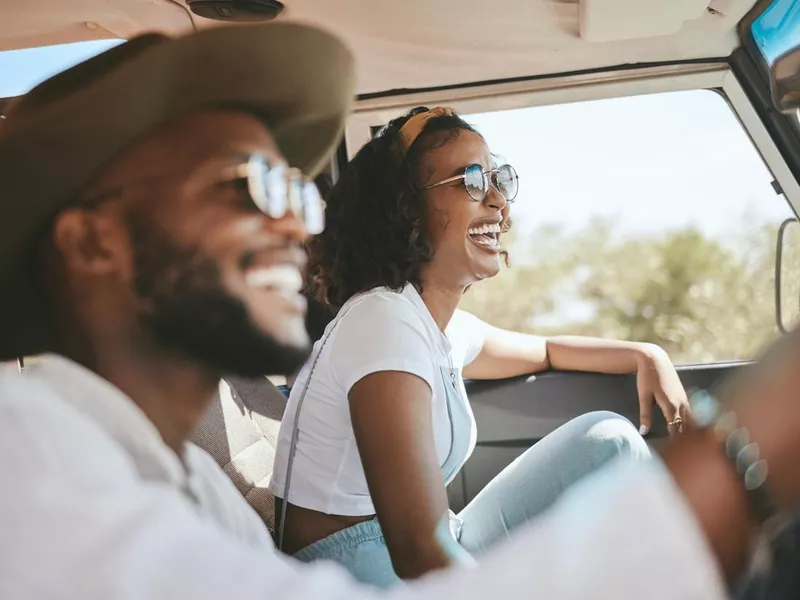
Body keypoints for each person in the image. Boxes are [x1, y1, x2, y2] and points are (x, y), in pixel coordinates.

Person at [2, 21, 800, 600]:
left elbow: (544, 349)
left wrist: (644, 355)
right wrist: (745, 456)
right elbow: (415, 561)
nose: (298, 220)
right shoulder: (27, 452)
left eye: (294, 187)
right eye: (247, 183)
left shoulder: (177, 481)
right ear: (93, 240)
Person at [269, 106, 689, 585]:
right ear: (405, 207)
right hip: (357, 572)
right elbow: (419, 551)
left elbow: (549, 350)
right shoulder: (382, 323)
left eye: (497, 179)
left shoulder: (438, 327)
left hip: (421, 544)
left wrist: (646, 354)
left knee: (607, 441)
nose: (496, 201)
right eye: (469, 179)